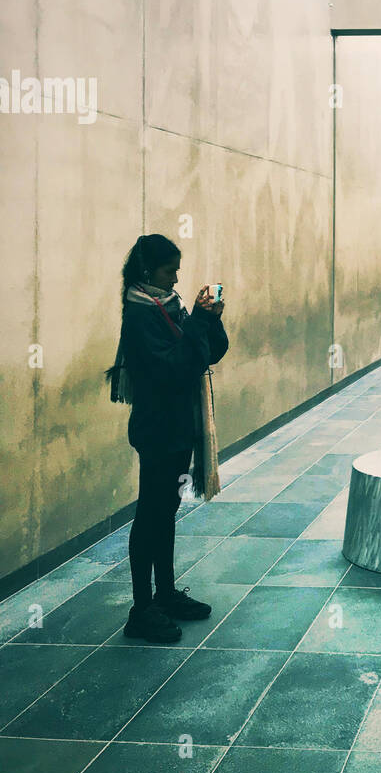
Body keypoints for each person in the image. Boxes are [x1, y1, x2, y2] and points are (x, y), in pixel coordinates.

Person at [106, 233, 228, 644]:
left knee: (166, 511)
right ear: (147, 270)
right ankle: (141, 611)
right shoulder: (141, 314)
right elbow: (175, 367)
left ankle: (165, 593)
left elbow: (208, 353)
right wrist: (196, 320)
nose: (176, 278)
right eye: (169, 269)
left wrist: (210, 318)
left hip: (179, 428)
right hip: (158, 430)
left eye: (177, 268)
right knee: (151, 516)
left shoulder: (170, 308)